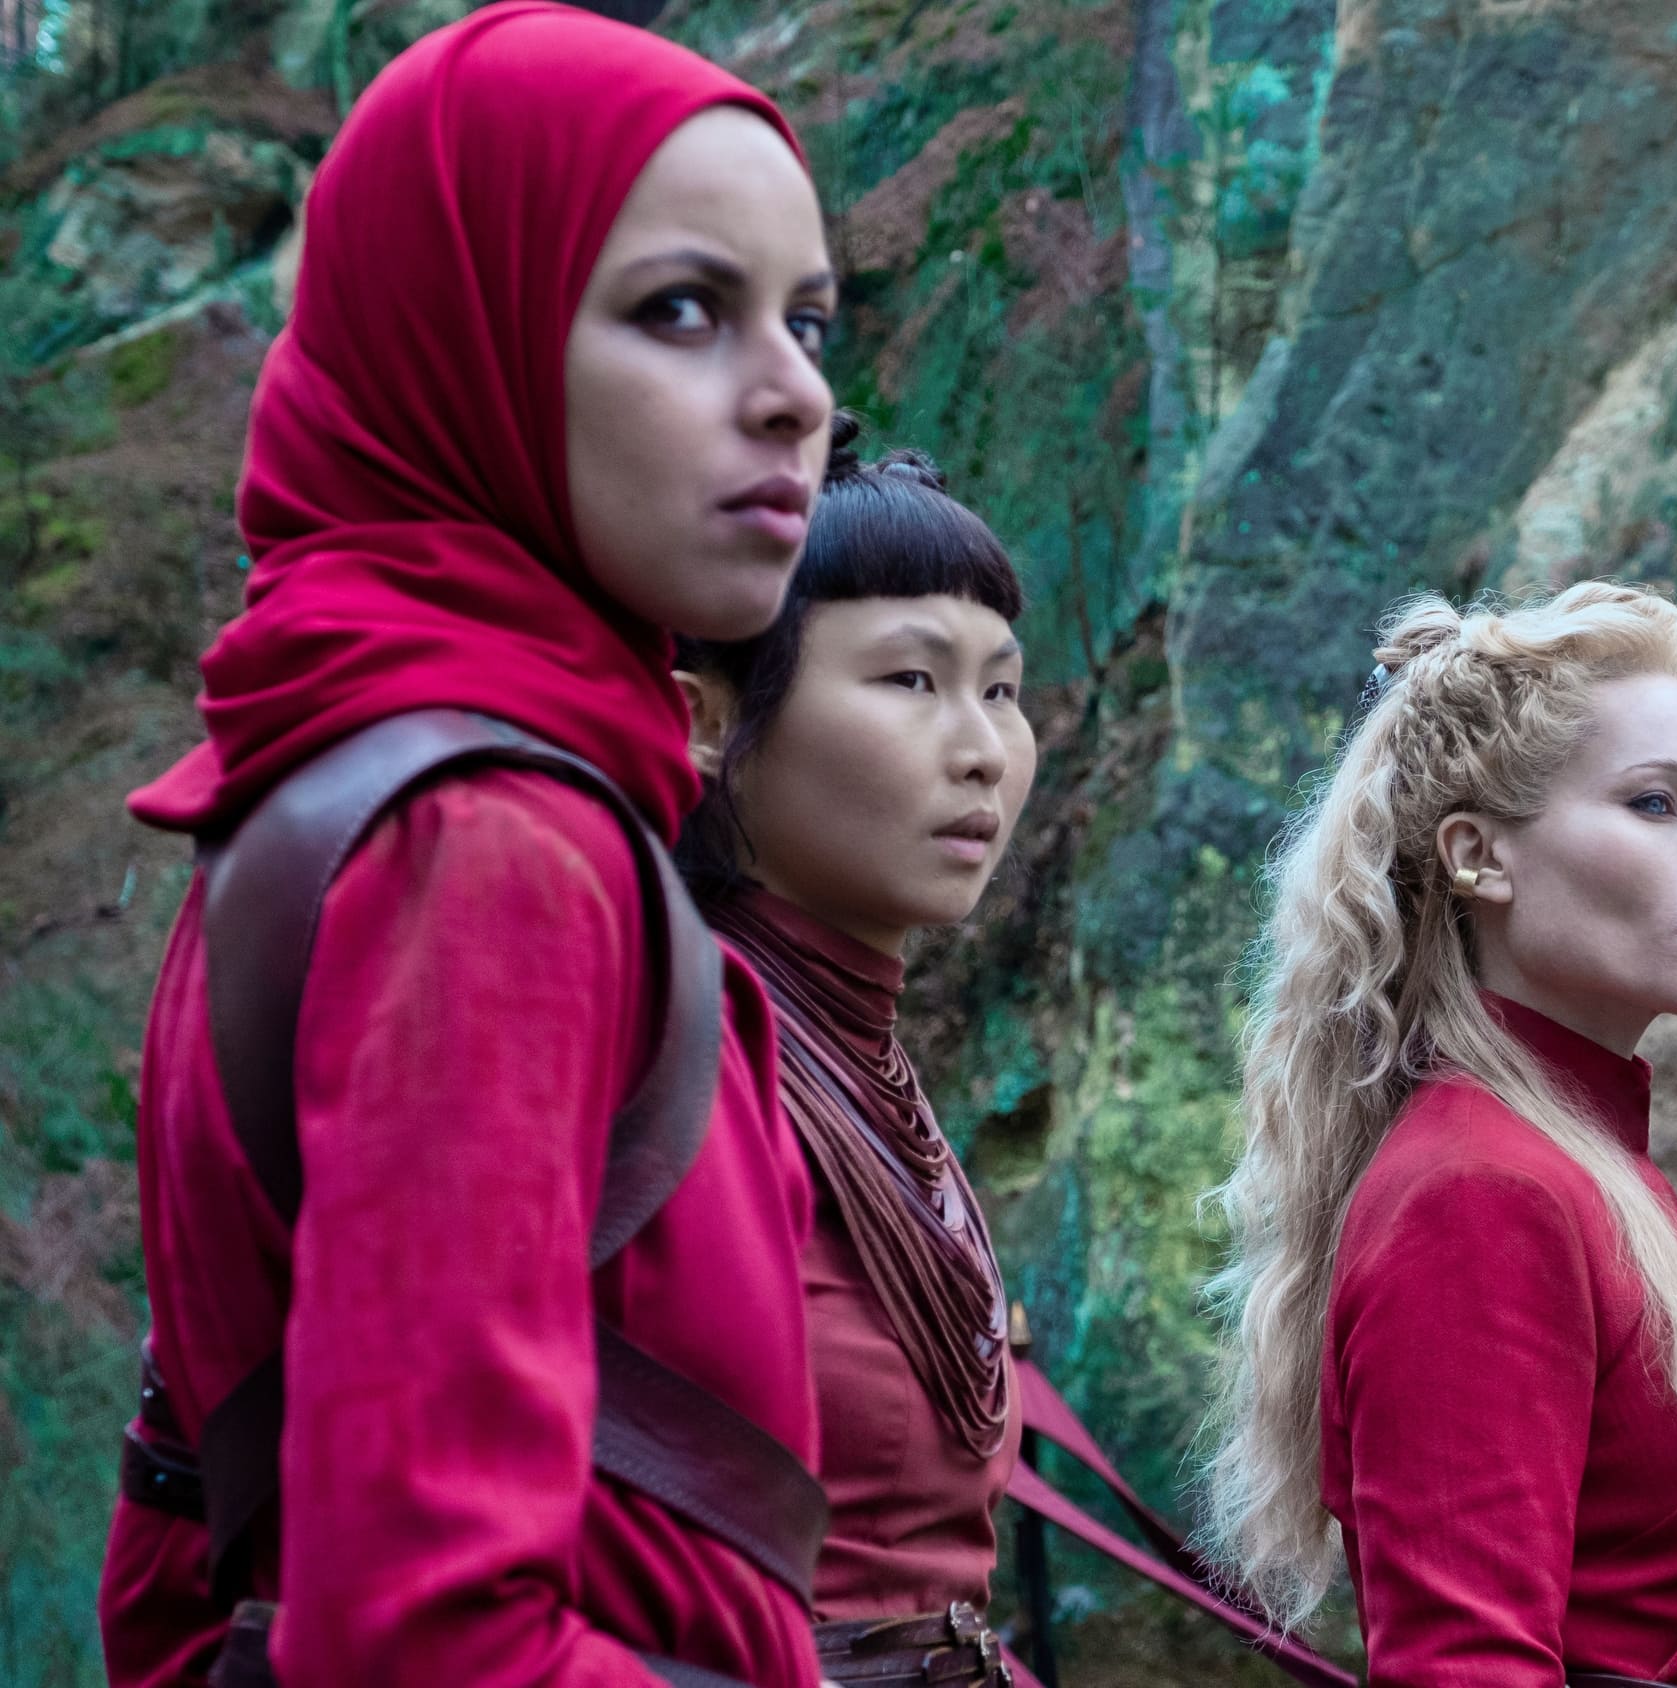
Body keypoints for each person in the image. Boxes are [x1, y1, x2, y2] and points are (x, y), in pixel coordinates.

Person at [96, 7, 838, 1684]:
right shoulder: (489, 844)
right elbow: (427, 1638)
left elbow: (173, 1552)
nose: (796, 394)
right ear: (464, 336)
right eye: (681, 309)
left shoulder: (326, 779)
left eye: (806, 321)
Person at [1198, 582, 1677, 1688]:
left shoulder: (1573, 1160)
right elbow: (1465, 1667)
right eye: (1658, 803)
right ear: (1479, 855)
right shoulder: (1479, 1191)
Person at [671, 422, 1035, 1686]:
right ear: (711, 718)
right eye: (911, 679)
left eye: (1002, 689)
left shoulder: (859, 1063)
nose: (981, 747)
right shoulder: (680, 1053)